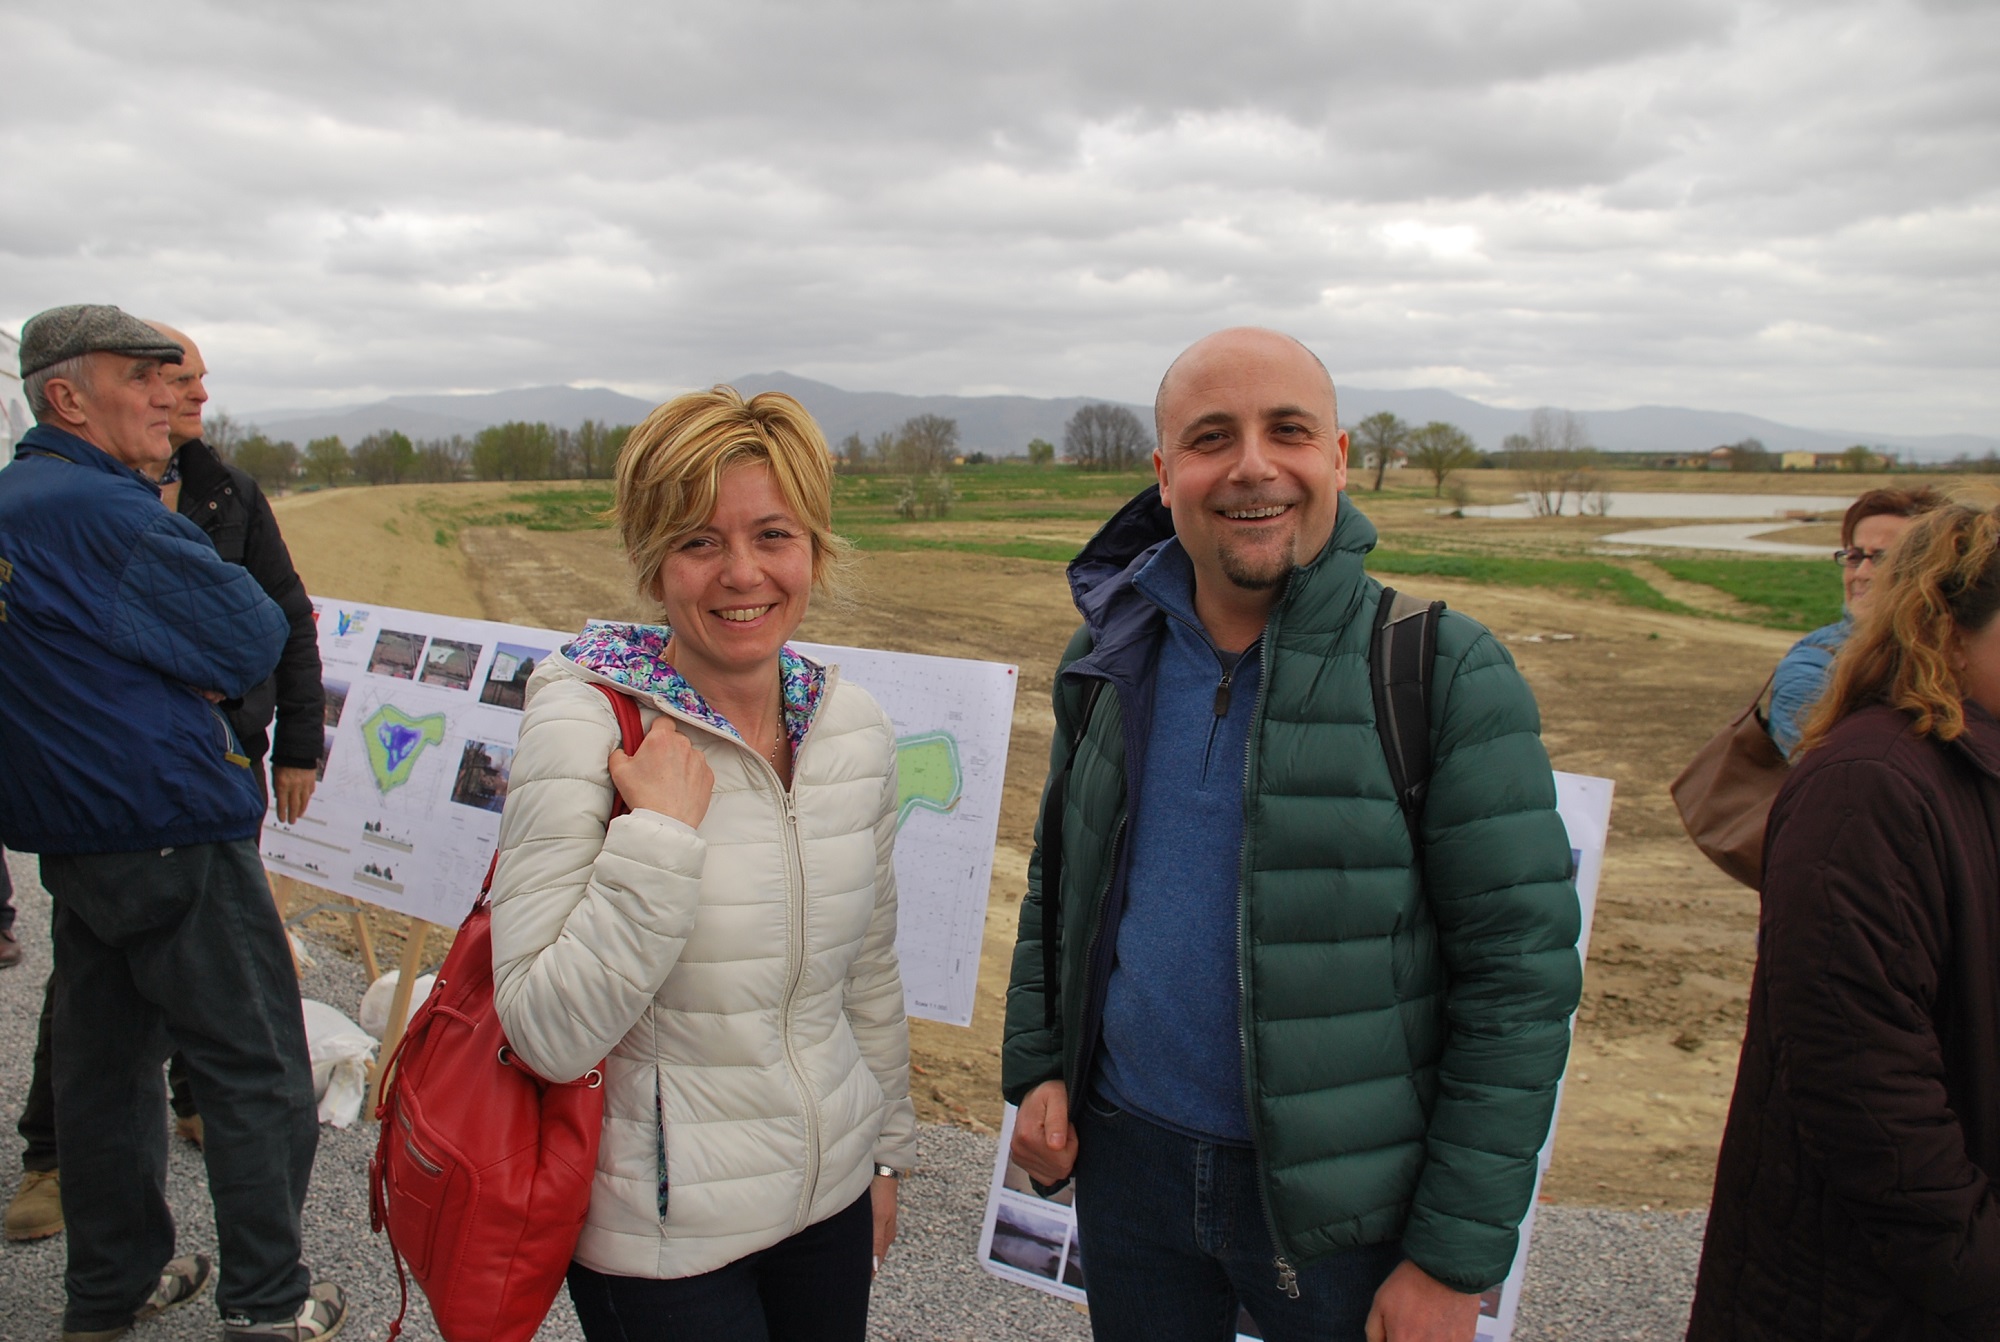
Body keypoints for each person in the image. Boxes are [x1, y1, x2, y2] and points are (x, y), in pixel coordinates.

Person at [1002, 328, 1581, 1342]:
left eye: (1288, 431)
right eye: (1211, 437)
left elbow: (1517, 985)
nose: (1252, 466)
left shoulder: (1439, 671)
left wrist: (1450, 1261)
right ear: (1163, 473)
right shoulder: (1107, 651)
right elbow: (1062, 878)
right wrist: (1040, 1065)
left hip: (1341, 1209)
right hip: (1128, 1168)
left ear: (1339, 457)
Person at [489, 385, 917, 1342]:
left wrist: (883, 1155)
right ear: (652, 565)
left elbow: (867, 972)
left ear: (813, 549)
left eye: (773, 535)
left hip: (828, 1202)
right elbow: (544, 1033)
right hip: (663, 1241)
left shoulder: (852, 729)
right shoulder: (587, 727)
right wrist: (658, 842)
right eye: (698, 541)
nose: (742, 573)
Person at [0, 305, 343, 1340]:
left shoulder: (16, 499)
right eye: (142, 376)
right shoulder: (103, 509)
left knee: (104, 1075)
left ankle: (109, 1292)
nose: (170, 395)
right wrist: (174, 665)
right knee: (257, 1066)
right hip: (172, 825)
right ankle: (269, 1304)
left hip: (76, 836)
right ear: (68, 397)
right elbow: (247, 633)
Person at [1689, 501, 2000, 1338]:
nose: (1858, 569)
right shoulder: (1867, 784)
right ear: (1950, 633)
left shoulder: (1970, 762)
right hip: (1872, 1291)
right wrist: (1975, 1267)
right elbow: (1861, 1079)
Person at [1766, 486, 1943, 757]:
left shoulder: (1964, 655)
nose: (1861, 573)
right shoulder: (1815, 671)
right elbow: (1832, 774)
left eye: (1883, 558)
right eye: (1855, 557)